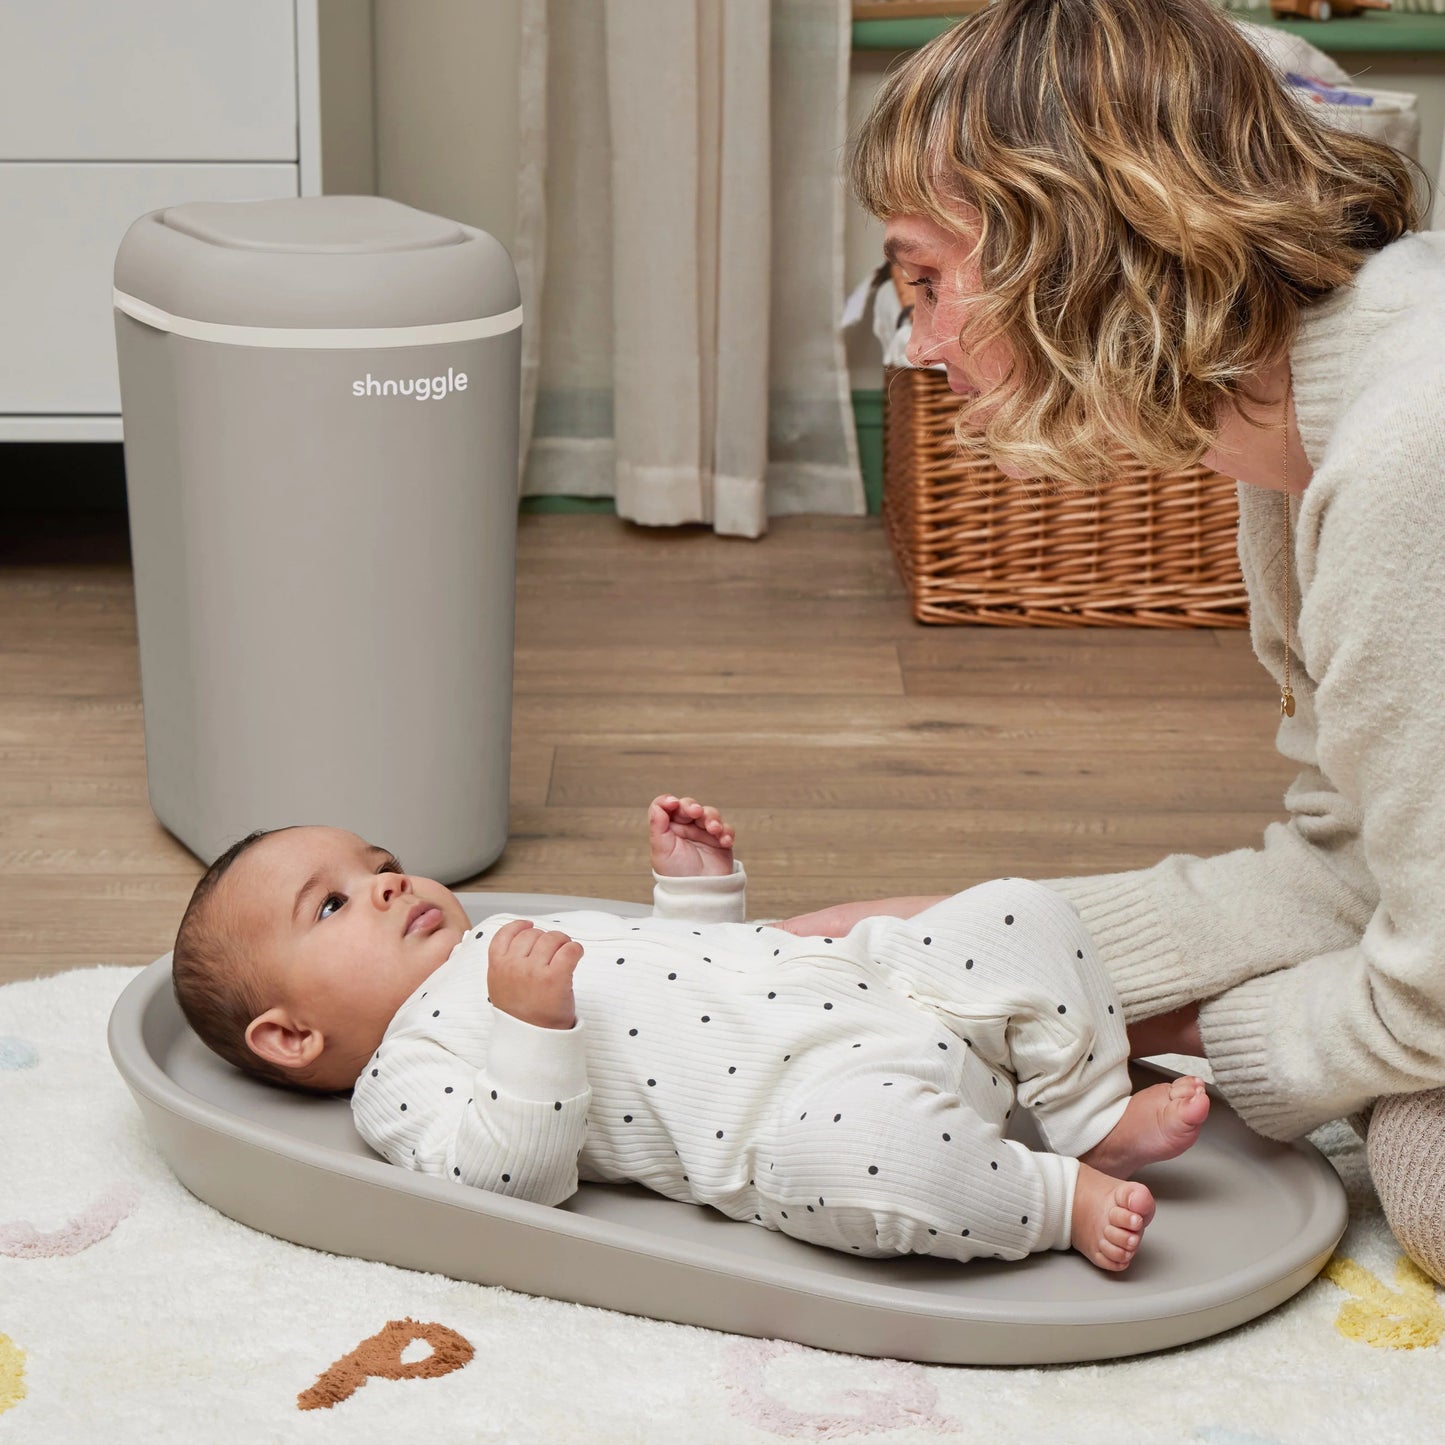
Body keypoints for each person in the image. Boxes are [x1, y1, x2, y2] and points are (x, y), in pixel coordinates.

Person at [795, 0, 1445, 1279]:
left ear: (1076, 238)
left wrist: (1175, 1034)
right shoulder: (1299, 412)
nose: (922, 349)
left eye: (927, 279)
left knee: (1422, 1179)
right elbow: (1351, 856)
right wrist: (1006, 931)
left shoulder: (1400, 458)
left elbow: (1427, 972)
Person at [169, 794, 1211, 1273]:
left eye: (376, 856)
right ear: (291, 1035)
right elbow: (507, 1187)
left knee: (1016, 910)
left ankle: (1086, 1108)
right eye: (333, 904)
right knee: (852, 1160)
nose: (384, 878)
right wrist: (533, 1027)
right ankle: (1049, 1195)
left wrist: (697, 893)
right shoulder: (402, 1073)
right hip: (812, 1106)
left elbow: (687, 970)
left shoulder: (509, 933)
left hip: (873, 990)